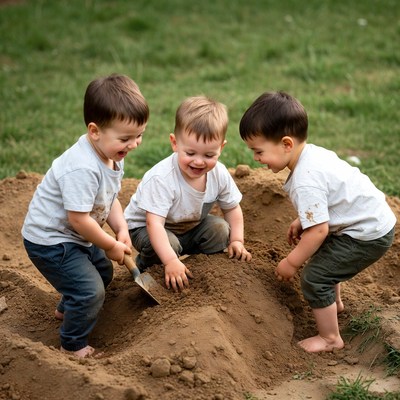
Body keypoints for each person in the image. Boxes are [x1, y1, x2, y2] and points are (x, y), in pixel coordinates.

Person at [239, 91, 396, 353]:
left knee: (315, 276)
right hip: (368, 220)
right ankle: (334, 305)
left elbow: (319, 230)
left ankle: (330, 338)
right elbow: (329, 201)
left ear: (286, 144)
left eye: (259, 151)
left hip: (367, 234)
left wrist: (291, 262)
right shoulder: (312, 155)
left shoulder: (305, 179)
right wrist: (303, 218)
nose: (256, 158)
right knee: (326, 260)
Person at [22, 74, 149, 358]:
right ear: (94, 131)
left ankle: (67, 308)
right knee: (90, 292)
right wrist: (110, 245)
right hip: (51, 241)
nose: (134, 144)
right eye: (126, 138)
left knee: (103, 273)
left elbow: (109, 197)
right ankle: (72, 344)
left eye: (139, 135)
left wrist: (121, 229)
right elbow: (79, 219)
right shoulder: (81, 168)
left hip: (76, 235)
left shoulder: (111, 153)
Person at [124, 96, 252, 292]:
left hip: (187, 227)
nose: (199, 162)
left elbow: (232, 208)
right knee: (170, 245)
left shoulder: (219, 174)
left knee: (220, 229)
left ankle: (199, 267)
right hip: (146, 228)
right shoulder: (162, 178)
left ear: (221, 148)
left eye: (209, 155)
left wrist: (237, 240)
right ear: (175, 143)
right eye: (190, 153)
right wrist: (170, 261)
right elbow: (154, 224)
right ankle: (148, 266)